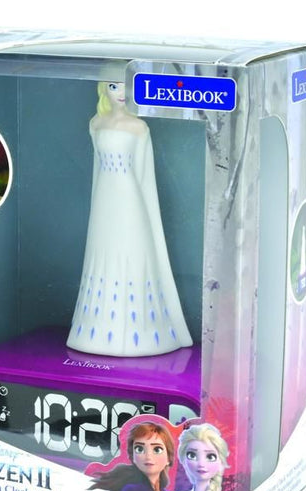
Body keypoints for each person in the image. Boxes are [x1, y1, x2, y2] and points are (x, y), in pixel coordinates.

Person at [67, 81, 192, 357]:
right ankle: (94, 329)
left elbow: (144, 171)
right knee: (102, 251)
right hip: (104, 200)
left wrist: (145, 209)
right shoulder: (95, 123)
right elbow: (97, 168)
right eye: (114, 86)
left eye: (126, 86)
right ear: (103, 89)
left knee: (132, 250)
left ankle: (145, 331)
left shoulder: (139, 127)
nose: (121, 93)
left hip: (130, 199)